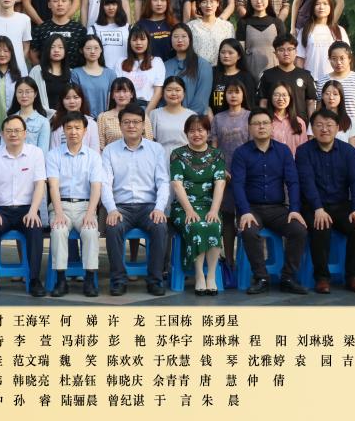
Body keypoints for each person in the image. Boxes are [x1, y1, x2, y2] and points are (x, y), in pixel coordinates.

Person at [232, 109, 308, 295]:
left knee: (299, 229)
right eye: (256, 123)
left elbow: (293, 182)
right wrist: (244, 211)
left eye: (265, 123)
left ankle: (288, 277)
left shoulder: (283, 151)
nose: (261, 127)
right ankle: (261, 277)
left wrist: (295, 209)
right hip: (251, 208)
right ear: (249, 128)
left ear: (271, 127)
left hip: (277, 209)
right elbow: (237, 185)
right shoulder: (241, 153)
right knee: (249, 231)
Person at [296, 108, 355, 294]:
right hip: (314, 206)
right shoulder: (303, 151)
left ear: (337, 128)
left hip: (341, 205)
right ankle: (322, 278)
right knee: (321, 226)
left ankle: (353, 276)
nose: (324, 129)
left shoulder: (348, 151)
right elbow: (307, 182)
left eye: (329, 125)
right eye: (319, 125)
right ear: (312, 128)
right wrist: (318, 208)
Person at [100, 104, 169, 296]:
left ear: (143, 125)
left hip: (149, 207)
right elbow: (105, 183)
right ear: (120, 125)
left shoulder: (156, 149)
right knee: (113, 227)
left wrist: (159, 208)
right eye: (127, 122)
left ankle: (155, 280)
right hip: (121, 207)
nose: (131, 126)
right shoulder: (110, 151)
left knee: (160, 226)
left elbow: (163, 182)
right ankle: (118, 280)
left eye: (136, 122)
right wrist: (112, 209)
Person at [0, 115, 48, 298]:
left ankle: (34, 279)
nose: (13, 134)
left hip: (27, 208)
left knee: (35, 228)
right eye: (9, 131)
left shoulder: (35, 153)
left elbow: (40, 184)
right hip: (0, 210)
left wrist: (33, 211)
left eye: (17, 131)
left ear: (25, 133)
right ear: (2, 134)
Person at [46, 112, 104, 297]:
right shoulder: (54, 155)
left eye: (78, 128)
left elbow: (96, 187)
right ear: (63, 130)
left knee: (90, 231)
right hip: (60, 205)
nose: (73, 132)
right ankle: (61, 280)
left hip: (85, 207)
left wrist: (91, 213)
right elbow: (53, 186)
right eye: (69, 128)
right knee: (58, 230)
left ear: (85, 131)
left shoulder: (93, 157)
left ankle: (89, 279)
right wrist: (58, 212)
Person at [169, 115, 226, 295]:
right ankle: (200, 275)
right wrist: (189, 210)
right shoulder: (177, 154)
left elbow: (220, 183)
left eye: (200, 130)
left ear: (208, 132)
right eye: (192, 131)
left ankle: (211, 275)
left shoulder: (217, 154)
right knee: (195, 225)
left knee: (214, 224)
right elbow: (177, 184)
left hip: (209, 205)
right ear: (186, 133)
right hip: (183, 207)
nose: (196, 134)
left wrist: (214, 210)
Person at [210, 77, 251, 268]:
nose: (233, 96)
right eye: (229, 92)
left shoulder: (250, 116)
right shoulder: (218, 118)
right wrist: (221, 169)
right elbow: (214, 147)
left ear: (243, 94)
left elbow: (253, 145)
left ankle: (245, 261)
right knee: (226, 217)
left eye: (237, 92)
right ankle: (229, 260)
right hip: (224, 175)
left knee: (244, 215)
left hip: (247, 174)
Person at [258, 34, 317, 118]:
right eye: (281, 50)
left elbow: (310, 102)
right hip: (274, 123)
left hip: (300, 123)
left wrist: (311, 123)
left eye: (290, 49)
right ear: (275, 53)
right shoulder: (267, 75)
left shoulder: (306, 75)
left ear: (296, 52)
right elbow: (263, 102)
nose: (286, 53)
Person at [237, 0, 287, 83]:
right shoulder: (243, 23)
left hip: (274, 72)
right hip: (250, 72)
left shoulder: (277, 23)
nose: (259, 1)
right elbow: (240, 52)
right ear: (250, 0)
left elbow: (284, 50)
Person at [296, 0, 349, 82]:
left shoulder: (339, 31)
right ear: (312, 7)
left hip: (334, 82)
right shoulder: (304, 31)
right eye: (317, 4)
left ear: (331, 7)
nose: (321, 7)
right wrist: (301, 80)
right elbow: (300, 59)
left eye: (325, 4)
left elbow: (347, 58)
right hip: (311, 81)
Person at [317, 41, 355, 125]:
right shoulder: (322, 81)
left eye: (342, 58)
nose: (338, 62)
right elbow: (319, 109)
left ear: (349, 59)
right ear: (329, 59)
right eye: (334, 59)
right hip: (329, 128)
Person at [29, 0, 87, 67]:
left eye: (64, 1)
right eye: (56, 1)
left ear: (70, 4)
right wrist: (42, 71)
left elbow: (84, 54)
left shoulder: (79, 29)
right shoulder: (40, 29)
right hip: (46, 72)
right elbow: (33, 54)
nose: (60, 4)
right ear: (49, 4)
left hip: (73, 73)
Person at [165, 23, 213, 115]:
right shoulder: (165, 65)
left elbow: (201, 99)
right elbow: (160, 95)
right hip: (167, 117)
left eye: (184, 36)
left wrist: (186, 117)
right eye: (175, 37)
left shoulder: (203, 65)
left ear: (190, 39)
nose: (179, 40)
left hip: (193, 119)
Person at [116, 25, 166, 113]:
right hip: (125, 109)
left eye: (142, 39)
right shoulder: (121, 62)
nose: (138, 43)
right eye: (134, 40)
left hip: (148, 107)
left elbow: (158, 92)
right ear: (129, 42)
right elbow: (117, 89)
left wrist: (146, 114)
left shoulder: (157, 62)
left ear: (148, 41)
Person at [97, 77, 155, 148]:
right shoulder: (103, 117)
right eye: (117, 91)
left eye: (125, 91)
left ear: (131, 94)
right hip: (112, 154)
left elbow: (149, 142)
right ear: (112, 95)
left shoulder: (142, 115)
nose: (121, 95)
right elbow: (101, 146)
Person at [72, 35, 118, 118]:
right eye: (88, 48)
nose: (92, 51)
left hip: (106, 119)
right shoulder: (76, 73)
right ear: (81, 50)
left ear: (101, 50)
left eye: (96, 48)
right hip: (83, 119)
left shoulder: (110, 74)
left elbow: (114, 100)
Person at [211, 38, 258, 116]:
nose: (226, 56)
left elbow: (250, 104)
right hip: (215, 119)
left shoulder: (246, 77)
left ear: (239, 56)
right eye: (223, 52)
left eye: (230, 53)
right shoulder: (212, 73)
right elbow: (205, 100)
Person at [188, 0, 234, 65]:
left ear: (218, 3)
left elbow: (232, 50)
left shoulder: (227, 27)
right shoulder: (191, 26)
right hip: (198, 69)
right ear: (199, 4)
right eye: (204, 2)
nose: (208, 5)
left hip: (220, 69)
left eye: (212, 1)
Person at [150, 76, 193, 161]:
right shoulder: (154, 114)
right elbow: (150, 141)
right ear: (163, 92)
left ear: (184, 93)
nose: (173, 93)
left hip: (186, 159)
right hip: (161, 157)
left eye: (177, 90)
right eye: (169, 90)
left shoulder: (191, 115)